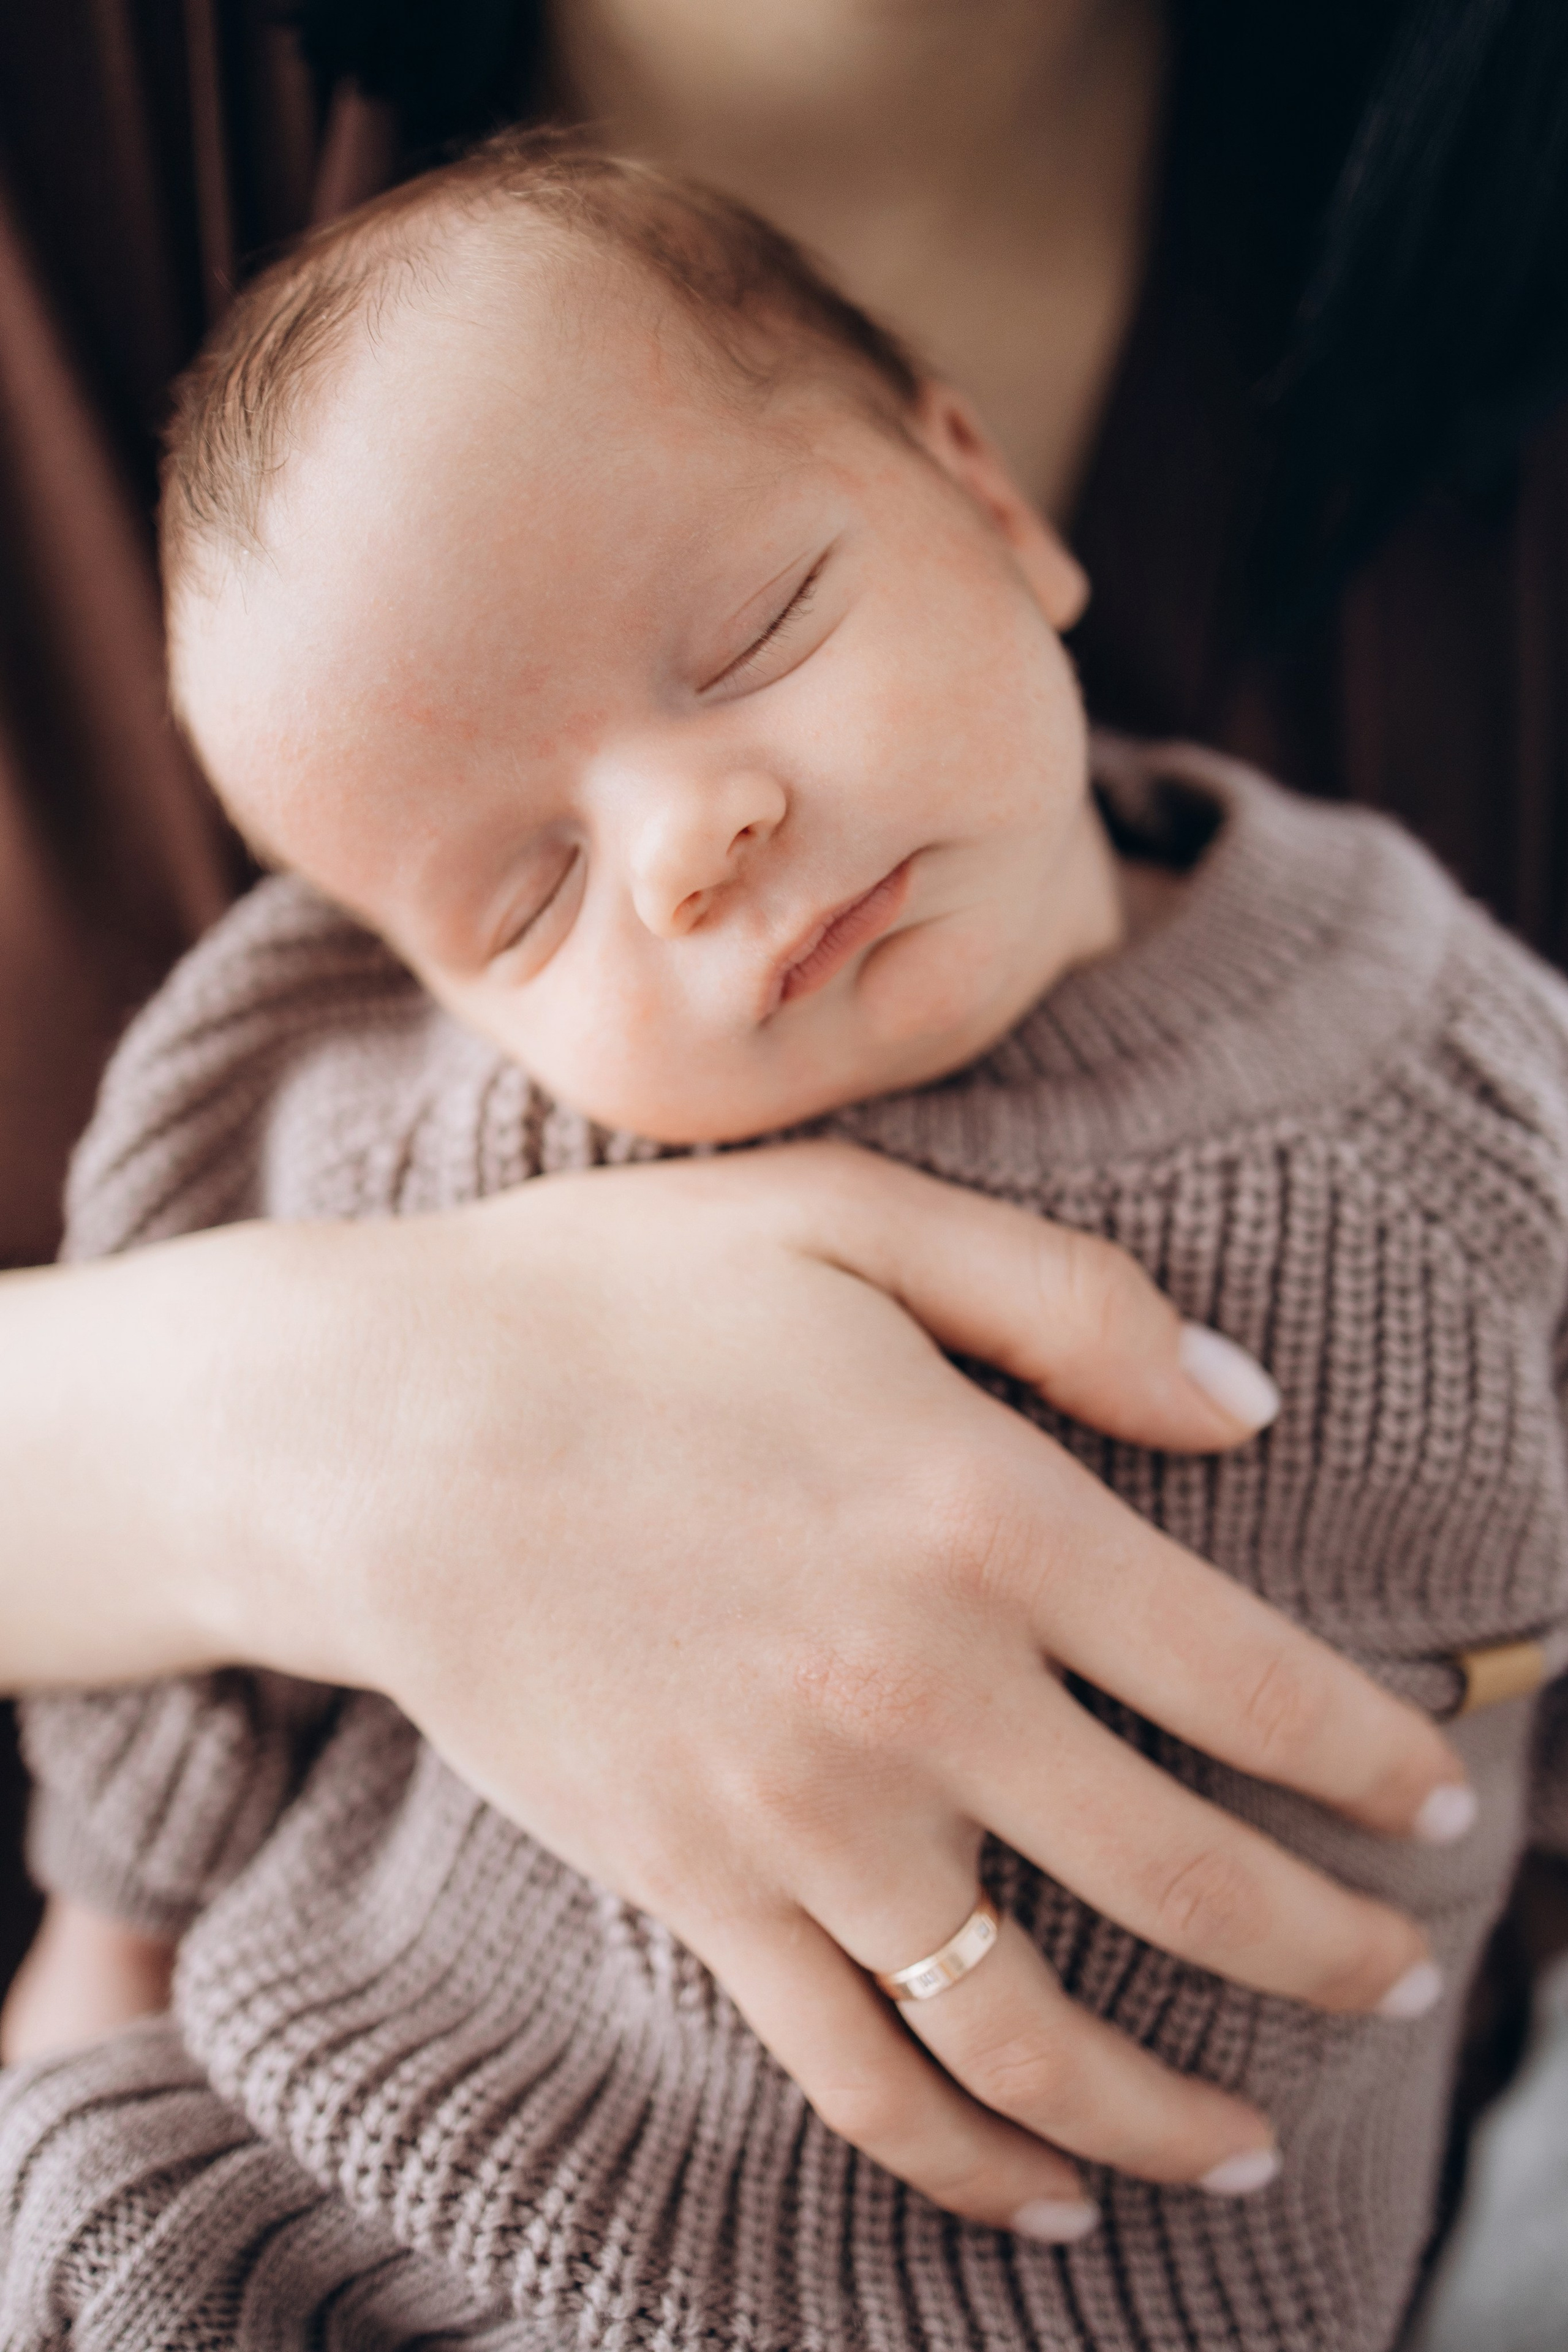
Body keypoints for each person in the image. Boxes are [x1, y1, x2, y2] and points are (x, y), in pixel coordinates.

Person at [4, 138, 1556, 2351]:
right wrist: (103, 1943)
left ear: (986, 494)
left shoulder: (1462, 1052)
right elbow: (178, 1648)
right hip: (398, 2204)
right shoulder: (462, 1132)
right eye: (525, 900)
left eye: (751, 639)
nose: (688, 847)